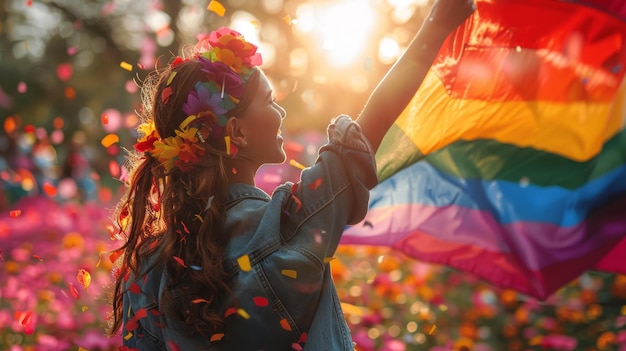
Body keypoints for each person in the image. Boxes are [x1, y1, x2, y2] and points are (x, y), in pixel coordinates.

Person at [107, 0, 475, 349]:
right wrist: (439, 22)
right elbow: (369, 127)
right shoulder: (288, 223)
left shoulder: (148, 266)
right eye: (269, 101)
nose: (281, 112)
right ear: (237, 133)